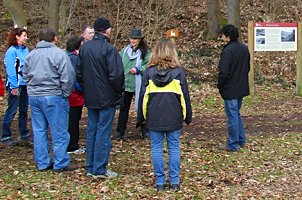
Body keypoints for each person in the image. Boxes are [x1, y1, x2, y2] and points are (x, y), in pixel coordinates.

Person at [137, 38, 192, 191]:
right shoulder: (179, 72)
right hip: (173, 115)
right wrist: (187, 116)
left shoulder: (149, 72)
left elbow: (143, 98)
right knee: (174, 147)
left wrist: (141, 117)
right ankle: (174, 181)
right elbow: (185, 97)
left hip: (154, 116)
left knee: (156, 147)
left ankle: (160, 182)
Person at [23, 28, 77, 172]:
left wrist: (32, 89)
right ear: (54, 38)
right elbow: (68, 76)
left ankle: (42, 162)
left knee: (39, 130)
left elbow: (25, 74)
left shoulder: (31, 55)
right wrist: (65, 93)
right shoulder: (59, 54)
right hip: (54, 96)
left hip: (35, 97)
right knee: (59, 132)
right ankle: (60, 163)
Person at [76, 17, 124, 178]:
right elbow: (116, 76)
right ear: (107, 30)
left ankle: (90, 166)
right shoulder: (109, 49)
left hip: (91, 97)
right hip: (106, 98)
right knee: (103, 132)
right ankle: (99, 169)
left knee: (92, 131)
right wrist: (118, 93)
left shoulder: (84, 49)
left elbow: (79, 73)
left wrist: (87, 89)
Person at [112, 28, 151, 140]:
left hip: (139, 85)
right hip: (126, 84)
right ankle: (120, 132)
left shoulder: (146, 52)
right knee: (123, 109)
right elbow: (118, 63)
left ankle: (144, 130)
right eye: (132, 38)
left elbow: (149, 65)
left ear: (140, 40)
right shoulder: (124, 51)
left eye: (135, 39)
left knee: (142, 108)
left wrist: (139, 69)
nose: (133, 41)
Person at [217, 24, 250, 152]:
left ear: (228, 36)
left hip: (230, 88)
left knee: (232, 116)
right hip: (241, 86)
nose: (222, 38)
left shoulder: (227, 51)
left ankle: (233, 143)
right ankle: (241, 139)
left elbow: (224, 72)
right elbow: (247, 68)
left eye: (223, 35)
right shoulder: (244, 48)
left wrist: (220, 85)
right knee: (236, 114)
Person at [1, 28, 30, 146]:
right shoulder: (11, 51)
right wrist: (14, 86)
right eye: (24, 35)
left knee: (23, 110)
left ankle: (24, 134)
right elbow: (11, 70)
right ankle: (5, 136)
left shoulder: (25, 50)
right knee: (12, 110)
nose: (26, 38)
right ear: (17, 37)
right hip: (16, 85)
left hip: (25, 84)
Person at [66, 36, 85, 154]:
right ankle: (72, 145)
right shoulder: (74, 58)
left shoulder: (68, 56)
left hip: (72, 94)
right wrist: (83, 89)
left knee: (72, 119)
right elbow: (76, 77)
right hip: (74, 95)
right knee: (73, 120)